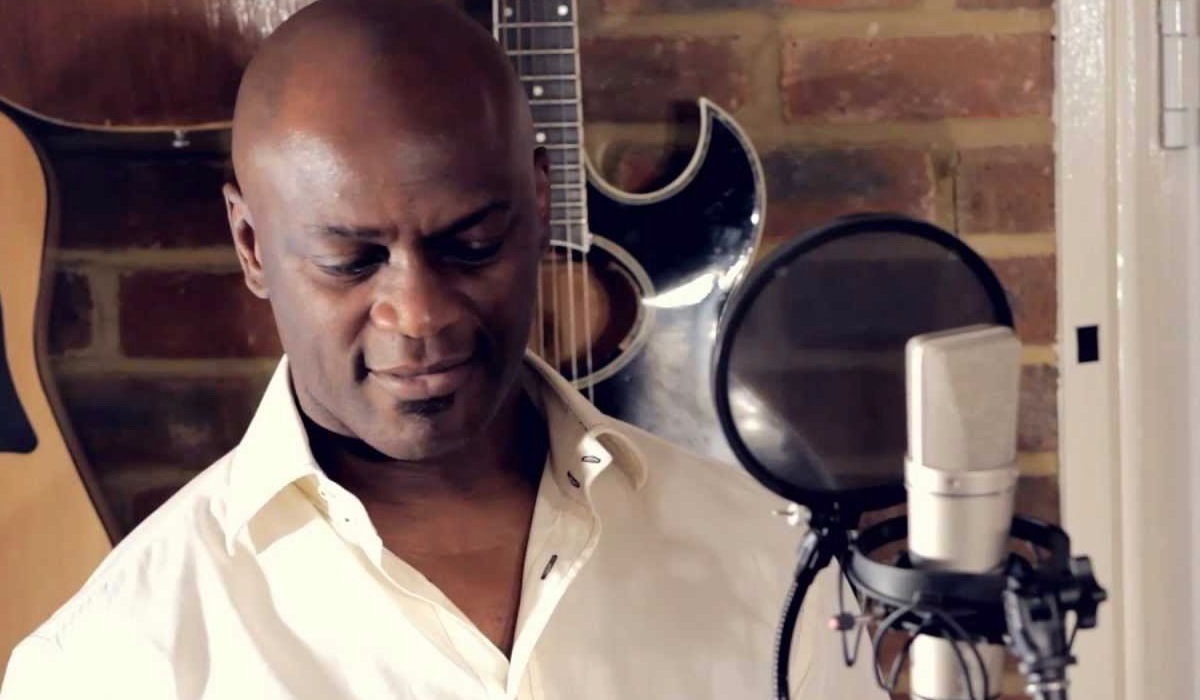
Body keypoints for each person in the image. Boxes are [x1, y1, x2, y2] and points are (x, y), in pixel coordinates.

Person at [1, 0, 883, 697]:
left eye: (473, 245)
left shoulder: (769, 559)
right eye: (351, 262)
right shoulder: (113, 661)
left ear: (539, 202)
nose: (418, 315)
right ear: (250, 245)